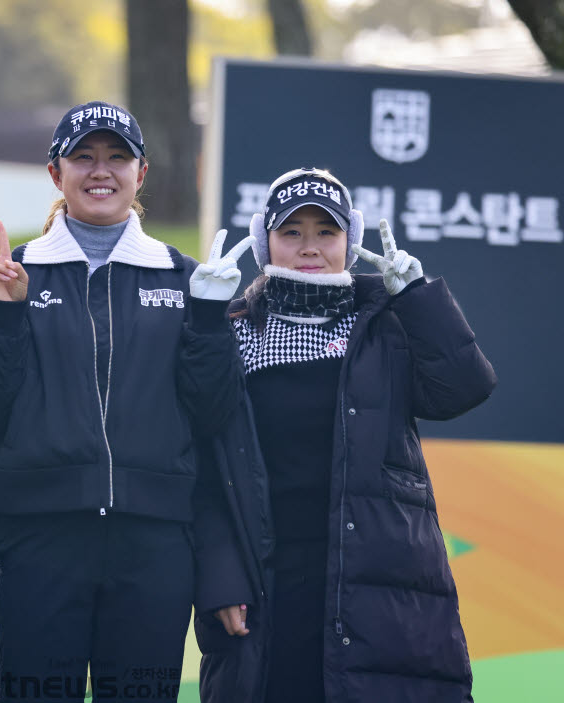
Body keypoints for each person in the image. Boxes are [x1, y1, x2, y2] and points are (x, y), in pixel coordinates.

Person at [0, 100, 254, 701]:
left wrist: (210, 320)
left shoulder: (184, 278)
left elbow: (214, 414)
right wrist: (6, 318)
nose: (101, 170)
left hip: (156, 547)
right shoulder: (14, 275)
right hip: (39, 544)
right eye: (83, 156)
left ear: (141, 175)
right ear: (55, 173)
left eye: (118, 157)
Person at [194, 167, 497, 702]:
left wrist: (420, 299)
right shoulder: (234, 329)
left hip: (378, 578)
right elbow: (206, 461)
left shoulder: (386, 323)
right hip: (269, 585)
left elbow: (463, 390)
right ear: (265, 242)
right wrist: (220, 576)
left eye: (326, 232)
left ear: (350, 242)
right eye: (291, 233)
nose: (309, 247)